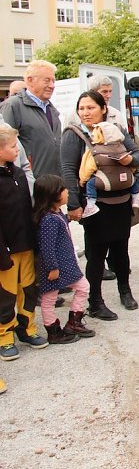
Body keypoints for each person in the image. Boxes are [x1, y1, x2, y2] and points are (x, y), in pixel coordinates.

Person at [63, 91, 139, 318]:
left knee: (121, 249)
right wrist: (73, 203)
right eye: (82, 108)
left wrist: (130, 160)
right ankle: (95, 302)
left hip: (121, 201)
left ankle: (125, 291)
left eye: (91, 108)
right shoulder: (74, 135)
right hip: (94, 205)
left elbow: (138, 155)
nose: (86, 113)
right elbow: (68, 170)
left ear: (103, 109)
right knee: (96, 254)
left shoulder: (114, 131)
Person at [0, 125, 46, 361]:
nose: (17, 149)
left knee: (28, 289)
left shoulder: (17, 173)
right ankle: (5, 337)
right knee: (6, 294)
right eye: (11, 146)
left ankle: (26, 328)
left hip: (26, 245)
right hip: (6, 252)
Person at [33, 175, 93, 344]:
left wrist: (71, 217)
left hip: (66, 264)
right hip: (55, 267)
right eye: (63, 189)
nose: (67, 192)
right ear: (53, 194)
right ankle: (53, 331)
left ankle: (74, 323)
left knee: (83, 287)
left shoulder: (56, 213)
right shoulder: (48, 220)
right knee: (49, 298)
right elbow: (47, 247)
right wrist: (52, 268)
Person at [2, 60, 62, 178]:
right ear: (30, 80)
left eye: (53, 81)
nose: (52, 85)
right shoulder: (13, 106)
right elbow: (4, 146)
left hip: (53, 183)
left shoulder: (51, 109)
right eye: (47, 80)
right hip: (29, 183)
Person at [78, 121, 139, 218]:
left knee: (90, 183)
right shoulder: (123, 148)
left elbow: (88, 169)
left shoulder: (95, 151)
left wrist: (83, 180)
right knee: (135, 179)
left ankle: (91, 205)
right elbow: (133, 166)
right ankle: (136, 197)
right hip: (127, 182)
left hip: (105, 183)